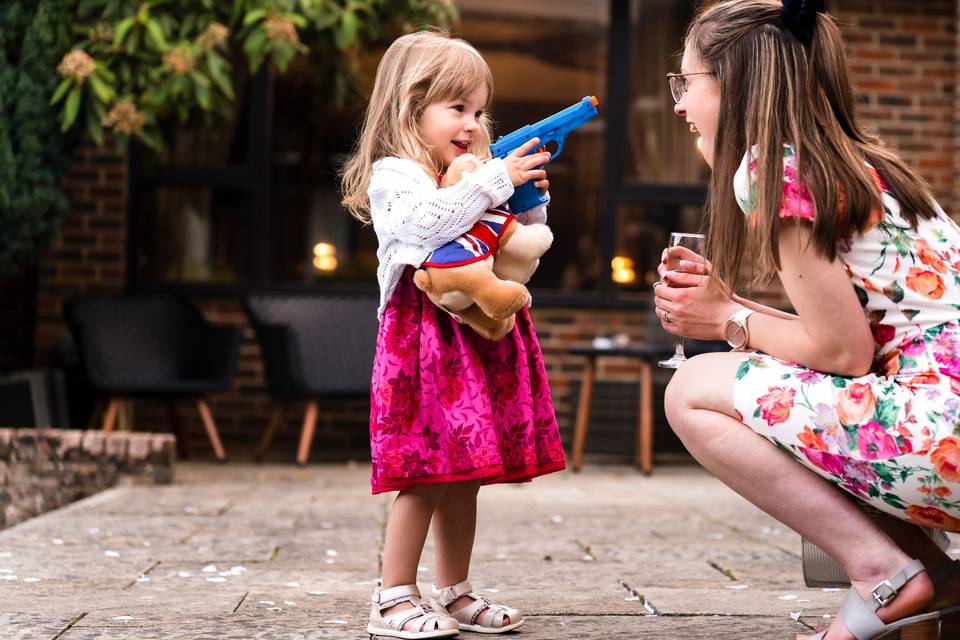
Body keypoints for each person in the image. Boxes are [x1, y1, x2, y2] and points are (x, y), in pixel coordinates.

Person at [652, 1, 960, 639]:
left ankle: (884, 573)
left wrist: (727, 318)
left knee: (691, 391)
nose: (678, 104)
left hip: (942, 436)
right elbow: (862, 340)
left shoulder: (775, 171)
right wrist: (730, 310)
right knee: (748, 377)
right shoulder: (872, 166)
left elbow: (841, 353)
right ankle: (931, 576)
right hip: (941, 416)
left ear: (733, 85)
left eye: (687, 82)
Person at [340, 30, 566, 639]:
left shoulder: (467, 173)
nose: (471, 123)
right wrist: (492, 181)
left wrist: (526, 202)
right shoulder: (397, 176)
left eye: (478, 110)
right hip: (421, 343)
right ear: (410, 107)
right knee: (422, 472)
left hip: (472, 337)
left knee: (465, 470)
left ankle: (454, 590)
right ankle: (392, 596)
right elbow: (426, 226)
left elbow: (508, 241)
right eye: (456, 108)